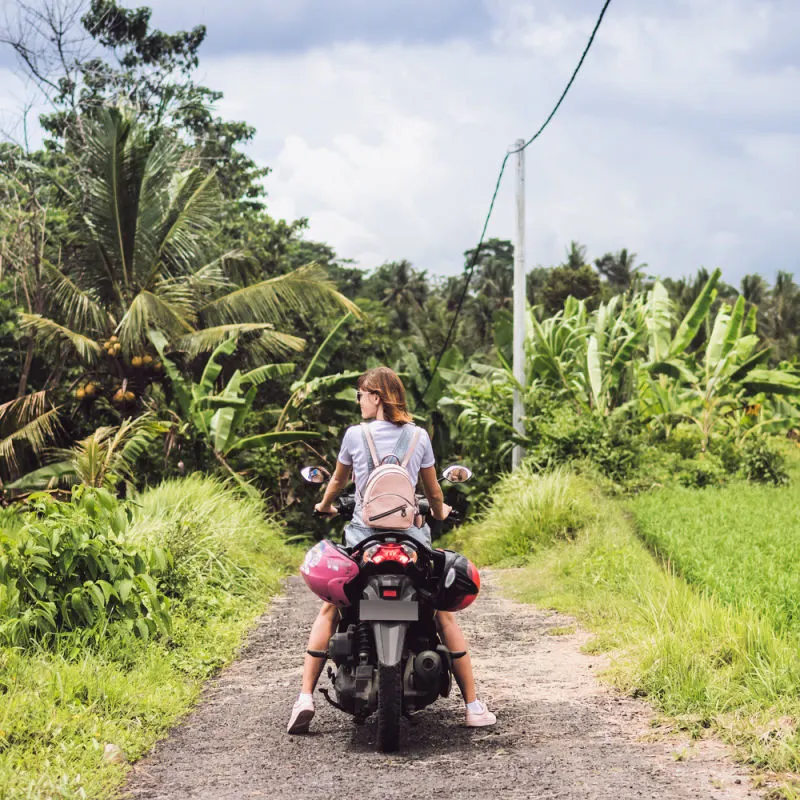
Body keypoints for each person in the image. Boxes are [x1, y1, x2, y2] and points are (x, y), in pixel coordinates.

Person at [287, 366, 496, 734]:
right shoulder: (419, 436)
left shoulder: (355, 435)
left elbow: (336, 481)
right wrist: (440, 510)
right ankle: (473, 706)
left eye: (361, 395)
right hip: (411, 540)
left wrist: (324, 506)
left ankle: (304, 698)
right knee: (440, 612)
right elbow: (433, 493)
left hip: (362, 537)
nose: (359, 402)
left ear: (377, 396)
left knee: (332, 608)